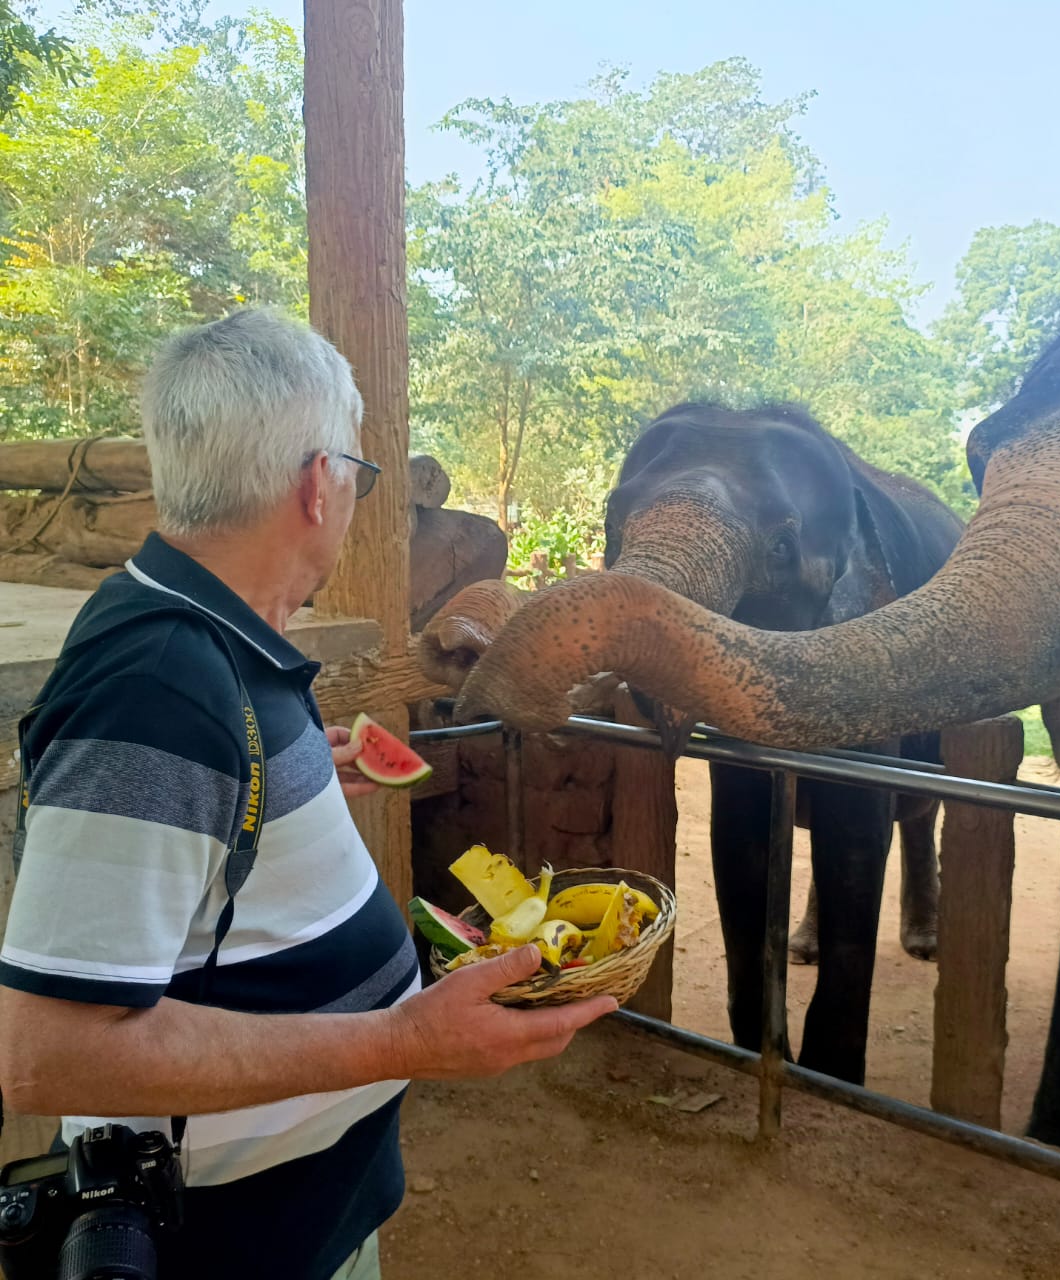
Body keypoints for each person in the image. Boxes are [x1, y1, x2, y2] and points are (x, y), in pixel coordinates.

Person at [0, 309, 616, 1279]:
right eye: (360, 477)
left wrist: (289, 777)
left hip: (307, 1207)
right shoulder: (153, 684)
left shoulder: (215, 635)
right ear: (317, 483)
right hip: (227, 1239)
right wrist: (397, 1037)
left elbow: (197, 827)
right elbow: (51, 1053)